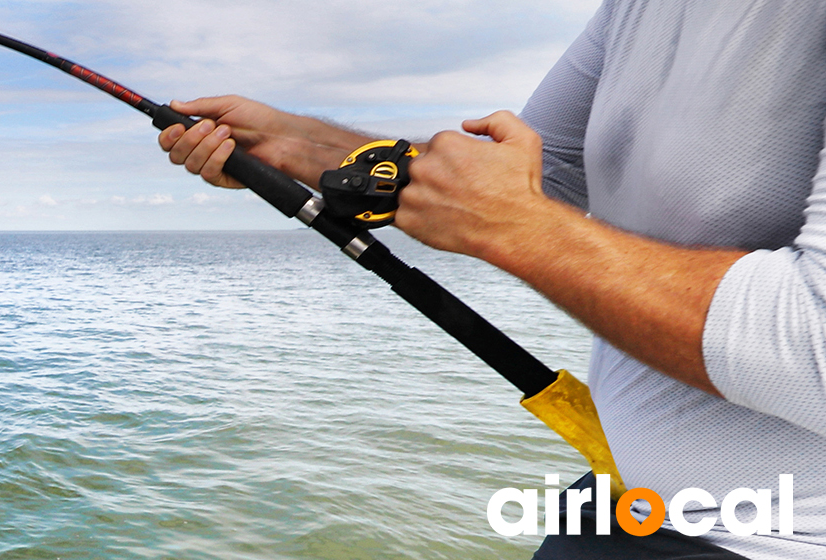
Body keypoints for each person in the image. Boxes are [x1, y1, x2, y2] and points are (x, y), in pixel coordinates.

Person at [156, 1, 826, 558]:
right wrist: (298, 146)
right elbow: (534, 179)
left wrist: (522, 231)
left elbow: (812, 347)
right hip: (620, 506)